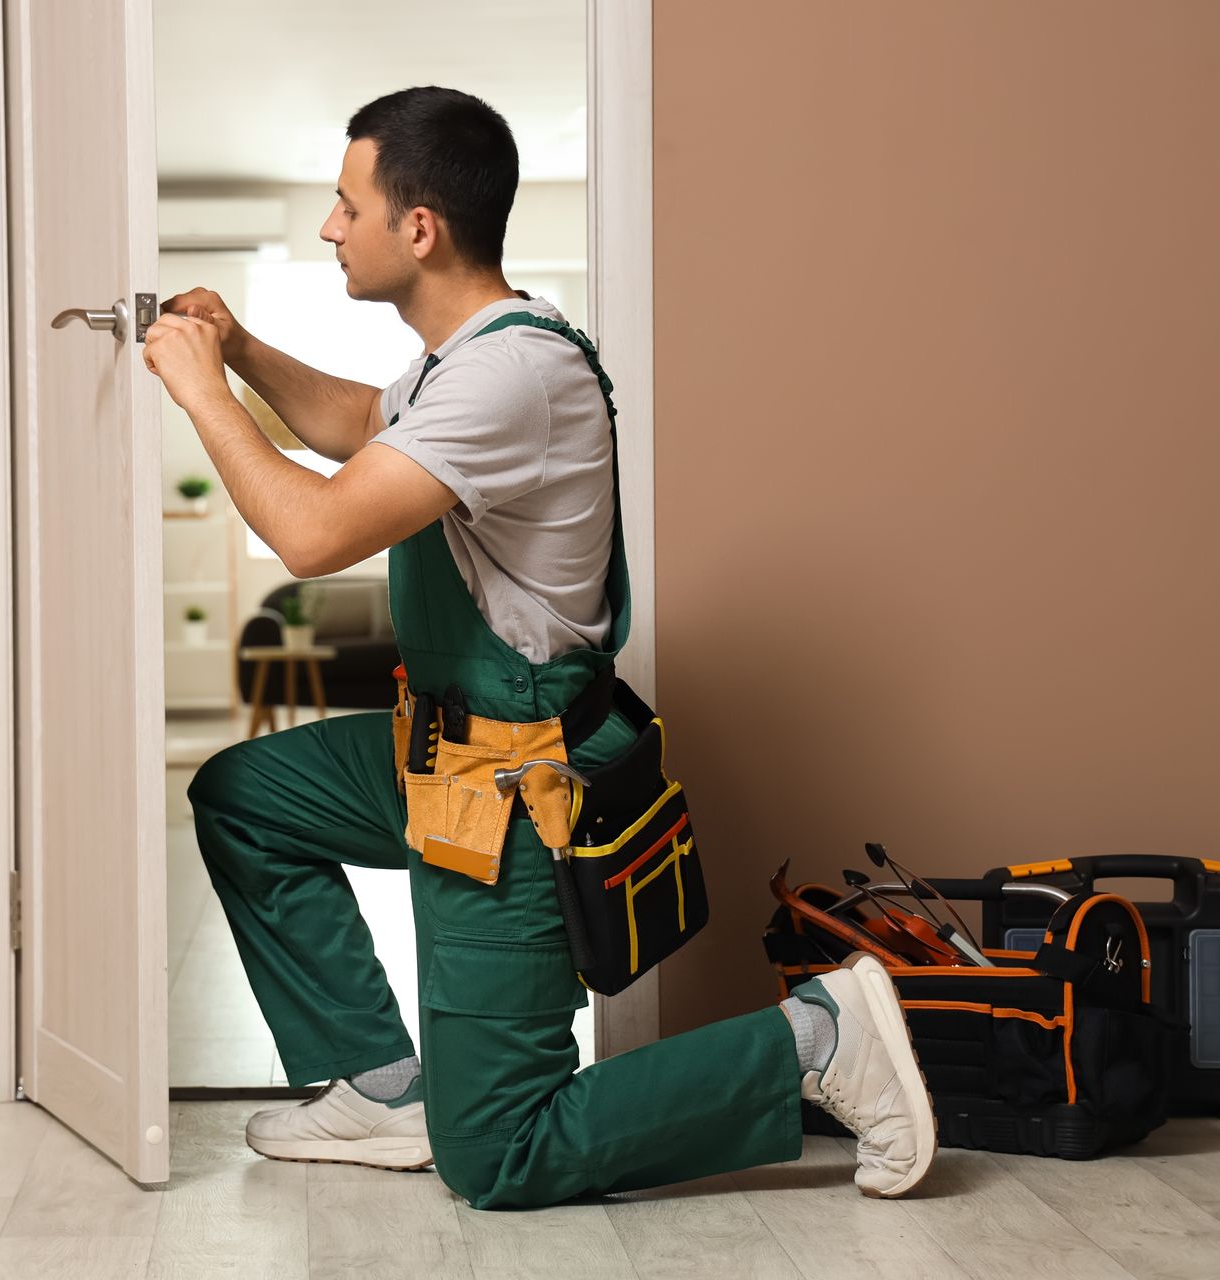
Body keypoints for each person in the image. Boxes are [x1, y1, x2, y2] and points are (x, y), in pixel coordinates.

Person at [141, 86, 935, 1209]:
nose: (330, 226)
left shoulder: (510, 374)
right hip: (439, 755)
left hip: (512, 791)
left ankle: (815, 1038)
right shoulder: (452, 363)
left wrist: (193, 391)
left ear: (419, 228)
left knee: (500, 1152)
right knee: (244, 794)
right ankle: (383, 1084)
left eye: (345, 203)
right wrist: (239, 350)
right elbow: (356, 426)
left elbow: (313, 531)